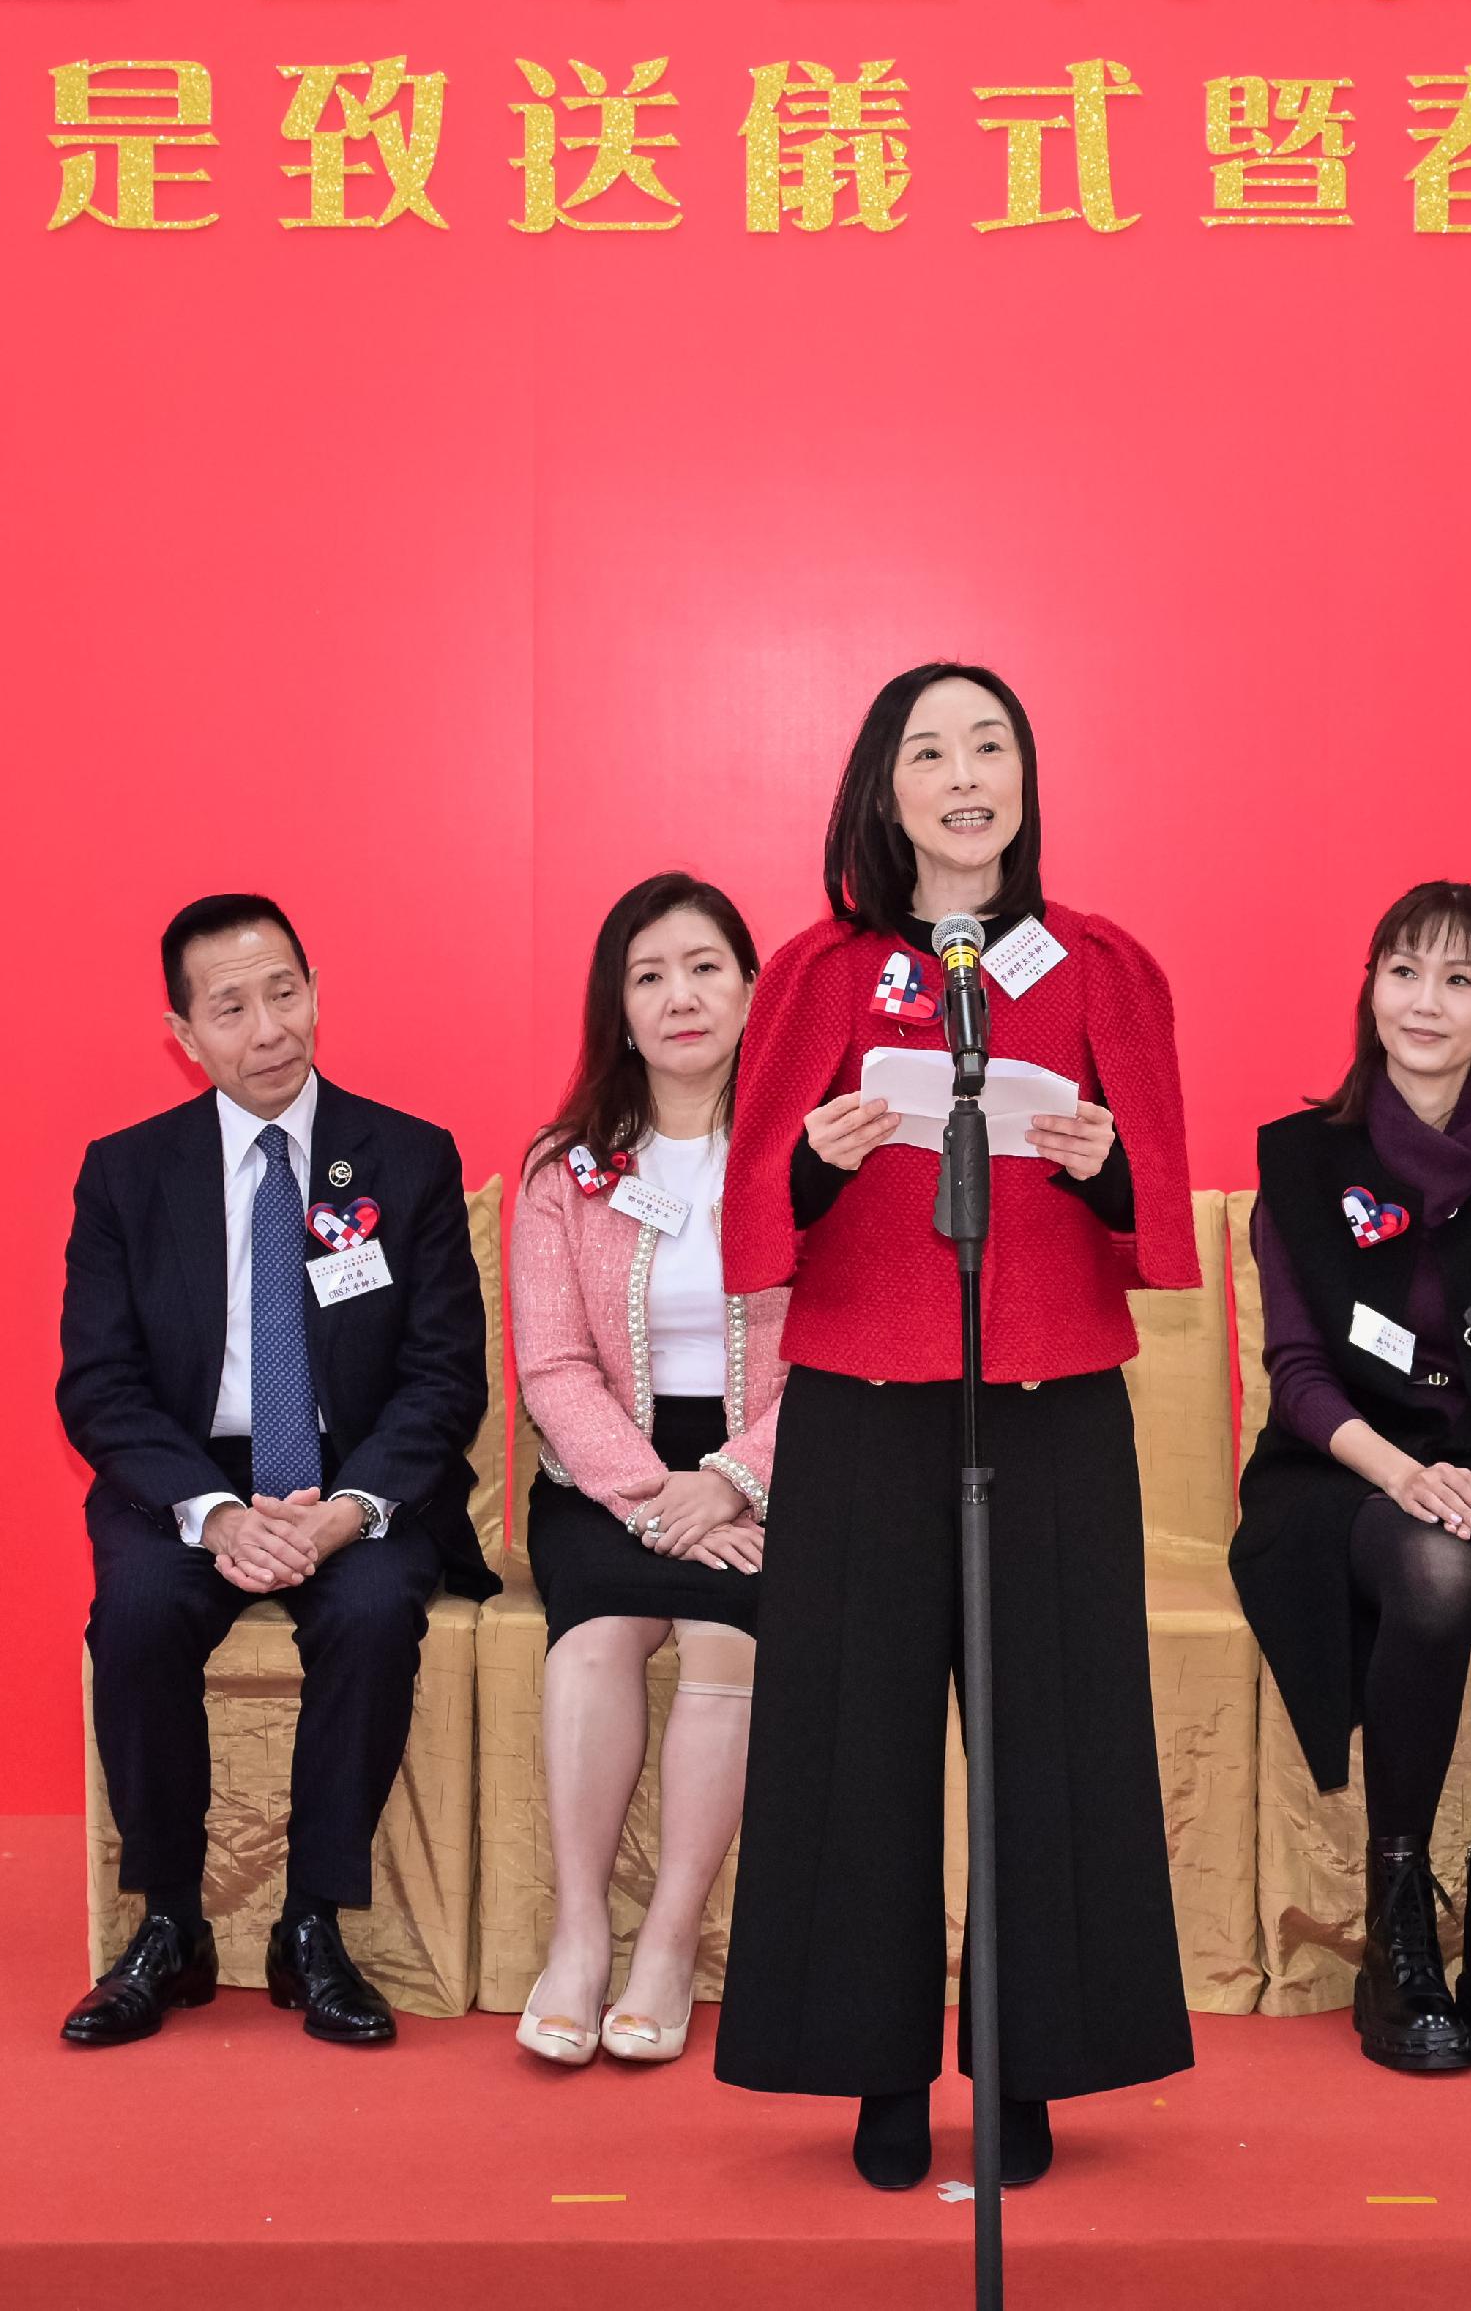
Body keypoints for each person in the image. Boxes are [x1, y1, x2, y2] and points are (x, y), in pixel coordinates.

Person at [713, 662, 1200, 2195]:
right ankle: (871, 2063)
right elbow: (751, 1215)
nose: (965, 772)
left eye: (991, 744)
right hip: (863, 1398)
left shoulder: (1101, 962)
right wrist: (814, 1151)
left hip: (1051, 1391)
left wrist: (1106, 1160)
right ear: (885, 785)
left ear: (1026, 781)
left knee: (1057, 1731)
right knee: (851, 1733)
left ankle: (1034, 2058)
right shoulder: (816, 968)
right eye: (931, 749)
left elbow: (1162, 1216)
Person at [53, 894, 495, 2050]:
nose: (267, 1030)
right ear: (183, 1033)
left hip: (357, 1475)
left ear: (315, 988)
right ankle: (169, 1924)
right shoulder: (125, 1176)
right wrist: (211, 1516)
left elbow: (446, 1377)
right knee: (137, 1611)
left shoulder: (406, 1157)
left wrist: (348, 1511)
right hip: (193, 1480)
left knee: (371, 1610)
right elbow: (98, 1387)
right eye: (231, 1007)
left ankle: (313, 1927)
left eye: (284, 992)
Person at [1231, 883, 1471, 2080]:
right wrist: (1405, 1475)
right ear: (1370, 988)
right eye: (1404, 971)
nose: (1426, 1002)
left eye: (1459, 980)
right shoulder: (1302, 1160)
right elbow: (1296, 1372)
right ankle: (1395, 1929)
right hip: (1340, 1469)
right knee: (1439, 1563)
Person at [506, 873, 785, 2069]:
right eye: (650, 975)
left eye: (705, 967)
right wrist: (652, 1498)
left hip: (770, 1471)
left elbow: (838, 1355)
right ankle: (578, 1937)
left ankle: (668, 1946)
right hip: (600, 1476)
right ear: (618, 1011)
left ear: (751, 987)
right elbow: (552, 1368)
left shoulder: (810, 1160)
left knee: (728, 1641)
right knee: (599, 1635)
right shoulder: (563, 1172)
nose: (681, 996)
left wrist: (727, 1479)